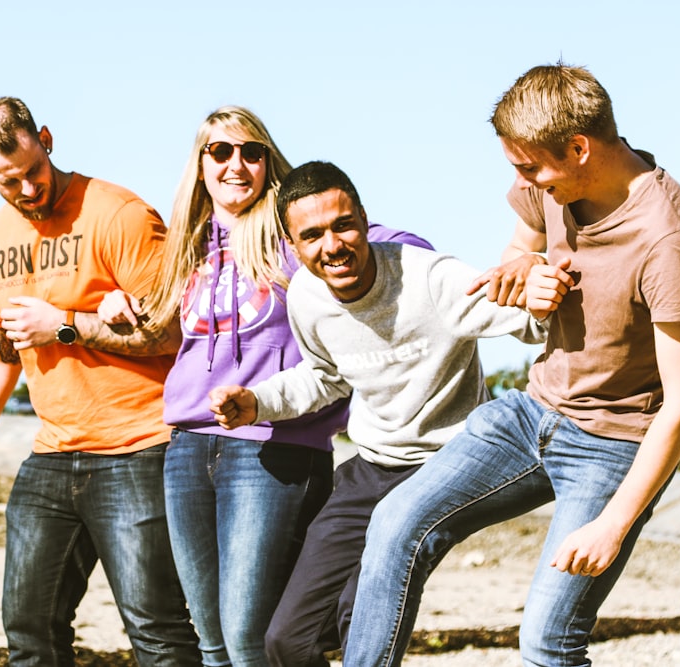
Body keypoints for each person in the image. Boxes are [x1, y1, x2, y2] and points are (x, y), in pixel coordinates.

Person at [342, 63, 680, 667]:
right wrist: (525, 270)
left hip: (614, 443)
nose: (522, 181)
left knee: (546, 643)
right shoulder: (551, 180)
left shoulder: (666, 238)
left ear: (579, 148)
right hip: (530, 411)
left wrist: (614, 524)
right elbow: (521, 247)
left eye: (529, 168)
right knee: (393, 522)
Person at [98, 107, 433, 667]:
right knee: (212, 641)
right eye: (221, 152)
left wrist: (425, 263)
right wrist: (111, 302)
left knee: (250, 639)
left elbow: (384, 240)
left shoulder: (290, 235)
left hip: (272, 448)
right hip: (186, 446)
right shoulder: (187, 243)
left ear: (268, 162)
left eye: (251, 152)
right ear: (201, 164)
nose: (236, 164)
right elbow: (153, 321)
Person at [207, 160, 546, 665]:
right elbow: (324, 376)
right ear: (292, 244)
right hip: (372, 468)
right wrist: (258, 402)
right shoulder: (306, 294)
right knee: (286, 642)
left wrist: (542, 280)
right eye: (313, 235)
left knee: (359, 616)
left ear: (364, 220)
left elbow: (535, 322)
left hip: (446, 466)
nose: (332, 246)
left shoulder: (430, 279)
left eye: (343, 225)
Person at [0, 96, 200, 667]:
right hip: (51, 456)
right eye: (8, 181)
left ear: (46, 138)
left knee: (157, 634)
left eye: (33, 172)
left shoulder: (118, 214)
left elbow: (173, 332)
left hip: (141, 449)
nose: (26, 190)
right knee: (30, 630)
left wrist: (65, 326)